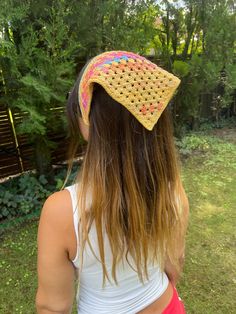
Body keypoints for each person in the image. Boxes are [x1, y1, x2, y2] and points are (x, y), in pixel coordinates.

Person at [36, 51, 189, 314]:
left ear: (87, 121)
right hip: (168, 306)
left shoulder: (61, 212)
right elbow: (174, 263)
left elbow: (53, 306)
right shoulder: (172, 190)